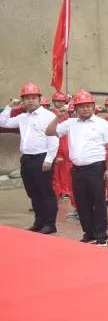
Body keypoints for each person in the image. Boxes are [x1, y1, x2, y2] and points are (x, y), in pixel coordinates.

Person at [46, 90, 108, 245]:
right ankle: (88, 233)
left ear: (93, 107)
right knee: (82, 203)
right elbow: (49, 132)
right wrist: (58, 117)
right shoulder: (70, 123)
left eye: (88, 106)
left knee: (98, 203)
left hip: (96, 168)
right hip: (77, 170)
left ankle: (101, 236)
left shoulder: (102, 124)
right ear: (75, 109)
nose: (85, 109)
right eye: (81, 106)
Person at [1, 83, 59, 233]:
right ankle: (39, 222)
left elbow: (53, 138)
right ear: (22, 101)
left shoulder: (49, 116)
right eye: (26, 98)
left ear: (39, 99)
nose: (30, 101)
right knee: (33, 193)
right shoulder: (22, 117)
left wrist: (49, 159)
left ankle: (50, 224)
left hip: (42, 158)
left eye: (33, 97)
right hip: (27, 159)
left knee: (45, 192)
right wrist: (9, 107)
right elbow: (3, 122)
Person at [50, 93, 74, 207]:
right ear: (53, 102)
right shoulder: (52, 114)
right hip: (57, 145)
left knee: (66, 172)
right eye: (57, 101)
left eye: (62, 101)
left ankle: (65, 190)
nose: (60, 103)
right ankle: (58, 192)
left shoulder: (68, 114)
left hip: (67, 145)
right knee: (56, 173)